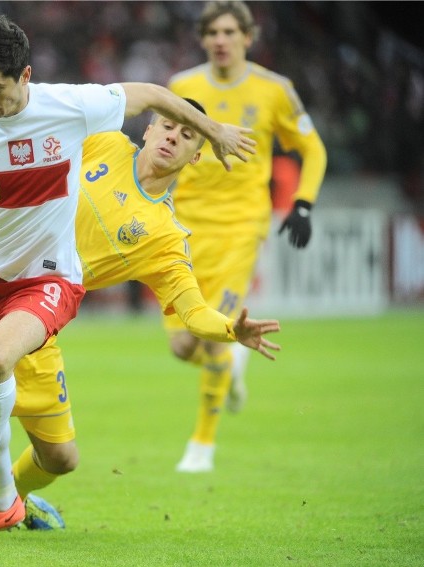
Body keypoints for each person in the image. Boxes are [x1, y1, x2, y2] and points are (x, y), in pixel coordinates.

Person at [0, 15, 255, 541]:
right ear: (150, 127)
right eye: (170, 124)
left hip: (45, 294)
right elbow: (142, 93)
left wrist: (233, 331)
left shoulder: (165, 237)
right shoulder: (97, 142)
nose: (173, 136)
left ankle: (3, 494)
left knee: (60, 456)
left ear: (196, 156)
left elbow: (192, 311)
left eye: (189, 135)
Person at [165, 1, 327, 473]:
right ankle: (231, 368)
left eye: (230, 31)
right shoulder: (182, 88)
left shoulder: (275, 90)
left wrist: (303, 203)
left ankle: (202, 446)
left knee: (216, 334)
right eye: (212, 31)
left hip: (241, 227)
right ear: (202, 38)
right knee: (183, 347)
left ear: (248, 37)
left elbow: (312, 149)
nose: (221, 39)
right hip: (186, 226)